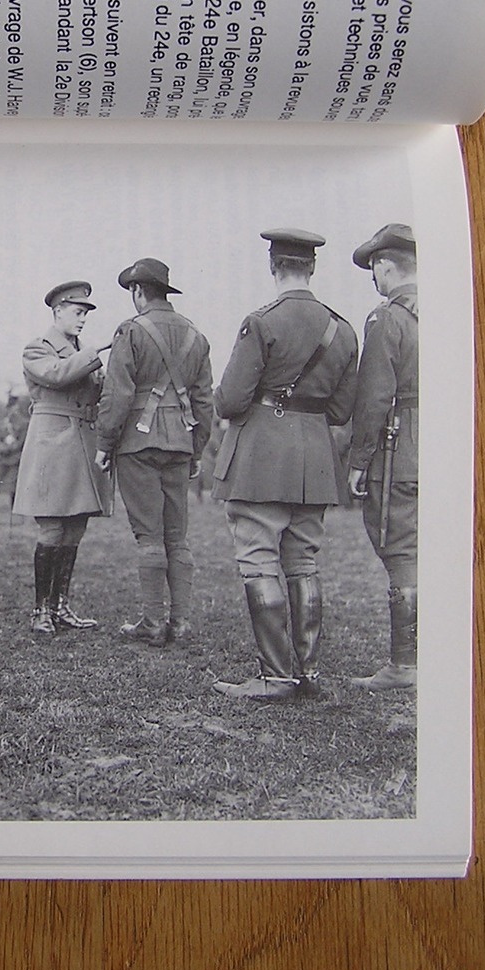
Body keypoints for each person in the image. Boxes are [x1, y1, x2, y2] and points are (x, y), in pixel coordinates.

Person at [211, 230, 359, 699]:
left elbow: (230, 400)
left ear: (273, 267)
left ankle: (275, 676)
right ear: (311, 268)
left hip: (261, 453)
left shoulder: (261, 323)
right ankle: (309, 674)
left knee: (258, 556)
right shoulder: (343, 329)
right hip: (315, 455)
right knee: (303, 560)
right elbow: (340, 412)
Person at [95, 258, 213, 646]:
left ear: (137, 292)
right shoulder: (196, 335)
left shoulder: (130, 331)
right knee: (177, 537)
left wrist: (104, 443)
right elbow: (203, 402)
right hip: (179, 442)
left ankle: (152, 622)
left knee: (149, 536)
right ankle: (180, 622)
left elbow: (118, 394)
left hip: (137, 443)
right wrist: (196, 450)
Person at [346, 223, 420, 690]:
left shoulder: (387, 319)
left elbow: (374, 396)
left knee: (399, 547)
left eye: (374, 268)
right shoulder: (444, 311)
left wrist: (358, 459)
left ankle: (404, 665)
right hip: (438, 443)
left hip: (400, 448)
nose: (374, 277)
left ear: (385, 266)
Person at [14, 281, 111, 633]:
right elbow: (58, 375)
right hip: (53, 442)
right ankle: (40, 610)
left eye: (86, 313)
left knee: (75, 527)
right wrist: (94, 354)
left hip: (82, 441)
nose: (83, 319)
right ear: (57, 311)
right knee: (52, 527)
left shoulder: (83, 351)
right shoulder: (38, 348)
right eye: (78, 312)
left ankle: (60, 607)